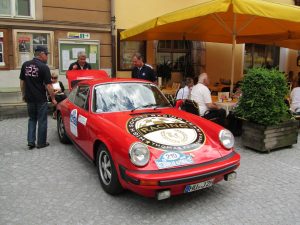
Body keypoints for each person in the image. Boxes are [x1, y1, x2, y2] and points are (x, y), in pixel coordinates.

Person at [19, 45, 57, 150]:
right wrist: (53, 98)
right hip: (40, 99)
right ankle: (41, 143)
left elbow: (22, 82)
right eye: (46, 54)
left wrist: (23, 94)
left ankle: (31, 142)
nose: (47, 57)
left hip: (29, 98)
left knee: (32, 119)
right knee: (42, 120)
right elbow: (49, 85)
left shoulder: (25, 65)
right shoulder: (44, 67)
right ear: (41, 54)